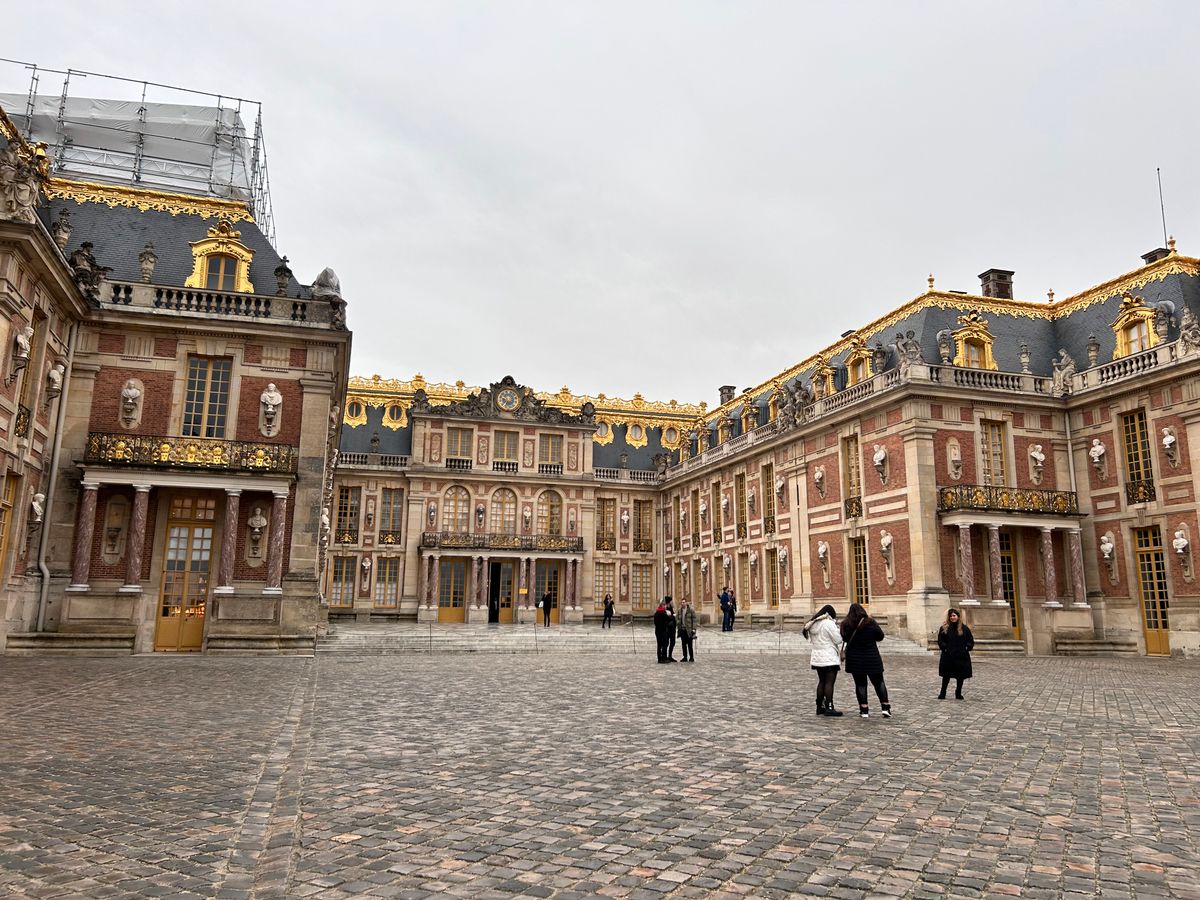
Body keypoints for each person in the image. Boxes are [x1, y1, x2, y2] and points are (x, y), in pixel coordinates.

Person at [841, 602, 890, 718]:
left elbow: (844, 638)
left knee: (860, 684)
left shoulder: (846, 624)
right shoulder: (870, 622)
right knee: (879, 682)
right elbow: (880, 636)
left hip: (855, 659)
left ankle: (864, 710)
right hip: (871, 657)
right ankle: (885, 707)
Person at [803, 604, 843, 716]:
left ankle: (819, 706)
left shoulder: (813, 623)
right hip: (829, 657)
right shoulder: (828, 623)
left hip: (817, 657)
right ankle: (829, 707)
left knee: (821, 682)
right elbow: (838, 640)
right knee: (829, 683)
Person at [937, 609, 974, 699]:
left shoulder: (964, 629)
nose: (952, 617)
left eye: (954, 615)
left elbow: (970, 640)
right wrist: (945, 647)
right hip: (948, 656)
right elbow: (940, 640)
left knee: (960, 676)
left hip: (961, 656)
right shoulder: (944, 628)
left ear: (958, 616)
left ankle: (958, 692)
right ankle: (943, 692)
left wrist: (967, 647)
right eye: (951, 616)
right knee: (946, 675)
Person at [653, 598, 673, 663]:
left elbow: (655, 622)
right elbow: (668, 619)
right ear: (662, 606)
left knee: (659, 645)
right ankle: (664, 658)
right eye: (664, 605)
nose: (665, 607)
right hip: (663, 631)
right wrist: (672, 616)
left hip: (657, 631)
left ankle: (659, 659)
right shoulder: (663, 613)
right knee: (664, 644)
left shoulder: (656, 613)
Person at [678, 598, 697, 662]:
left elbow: (694, 620)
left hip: (689, 630)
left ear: (686, 603)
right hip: (682, 629)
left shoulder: (690, 610)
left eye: (683, 602)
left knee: (690, 644)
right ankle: (685, 657)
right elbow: (678, 619)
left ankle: (691, 657)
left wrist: (694, 629)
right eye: (681, 602)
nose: (682, 603)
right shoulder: (679, 610)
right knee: (683, 644)